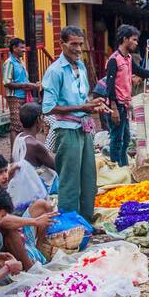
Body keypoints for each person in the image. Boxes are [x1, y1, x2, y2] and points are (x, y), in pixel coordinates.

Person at [43, 25, 109, 221]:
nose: (78, 49)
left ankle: (86, 220)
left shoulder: (80, 66)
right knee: (70, 181)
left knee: (89, 178)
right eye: (73, 44)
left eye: (80, 44)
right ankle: (70, 224)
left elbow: (80, 100)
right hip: (67, 130)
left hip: (85, 128)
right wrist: (82, 108)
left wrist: (92, 104)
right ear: (62, 44)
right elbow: (48, 107)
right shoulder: (55, 71)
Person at [104, 25, 143, 166]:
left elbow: (141, 71)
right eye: (134, 39)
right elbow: (110, 86)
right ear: (125, 39)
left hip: (124, 105)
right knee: (117, 140)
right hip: (116, 105)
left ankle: (124, 166)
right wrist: (113, 108)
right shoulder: (114, 59)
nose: (136, 43)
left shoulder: (128, 58)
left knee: (125, 139)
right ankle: (116, 168)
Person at [2, 37, 40, 107]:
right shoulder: (9, 63)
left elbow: (23, 80)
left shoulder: (21, 62)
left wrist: (33, 85)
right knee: (16, 118)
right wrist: (26, 85)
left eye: (24, 48)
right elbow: (7, 83)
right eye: (22, 47)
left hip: (25, 95)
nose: (24, 50)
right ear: (14, 48)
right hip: (15, 97)